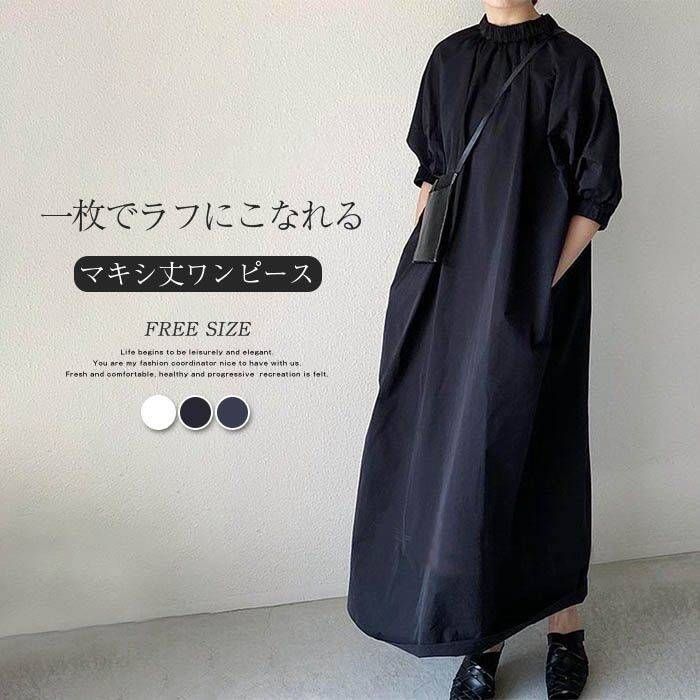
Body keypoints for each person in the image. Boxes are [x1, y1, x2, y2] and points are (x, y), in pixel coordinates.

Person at [347, 1, 622, 698]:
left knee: (541, 449)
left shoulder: (572, 65)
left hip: (534, 300)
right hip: (448, 294)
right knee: (458, 462)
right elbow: (432, 174)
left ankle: (565, 628)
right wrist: (419, 281)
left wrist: (534, 288)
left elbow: (594, 197)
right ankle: (481, 633)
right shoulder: (449, 59)